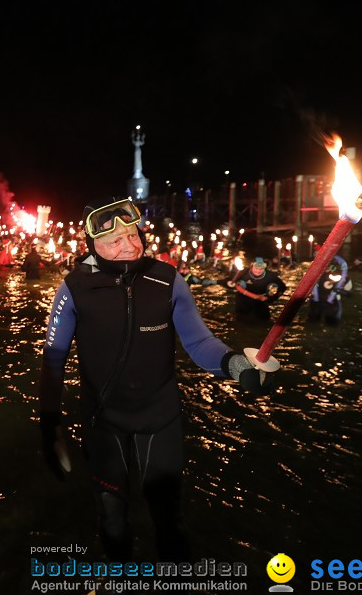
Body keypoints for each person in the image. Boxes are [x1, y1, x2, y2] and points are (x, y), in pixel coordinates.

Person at [37, 196, 273, 563]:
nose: (129, 246)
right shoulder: (73, 289)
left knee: (168, 519)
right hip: (104, 422)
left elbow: (199, 342)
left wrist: (237, 366)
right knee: (112, 518)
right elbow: (53, 359)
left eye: (133, 234)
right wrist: (49, 424)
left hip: (160, 417)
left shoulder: (166, 280)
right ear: (92, 246)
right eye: (114, 241)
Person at [308, 254, 351, 325]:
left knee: (332, 325)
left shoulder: (343, 277)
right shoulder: (316, 274)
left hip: (332, 303)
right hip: (316, 303)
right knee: (312, 325)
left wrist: (339, 290)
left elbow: (349, 294)